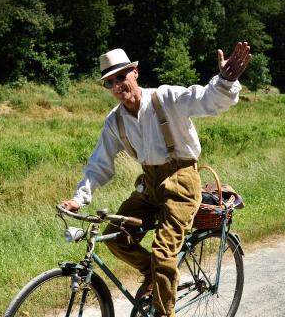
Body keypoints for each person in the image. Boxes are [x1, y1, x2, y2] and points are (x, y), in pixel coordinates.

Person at [61, 42, 251, 317]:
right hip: (149, 185)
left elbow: (205, 100)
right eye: (109, 82)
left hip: (183, 182)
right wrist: (79, 199)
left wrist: (225, 81)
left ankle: (164, 312)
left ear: (135, 72)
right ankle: (153, 275)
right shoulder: (115, 121)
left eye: (121, 76)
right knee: (115, 238)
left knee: (164, 254)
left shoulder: (165, 99)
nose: (117, 85)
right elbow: (99, 164)